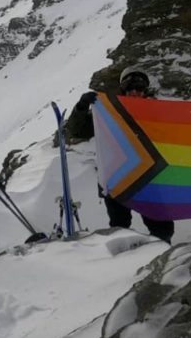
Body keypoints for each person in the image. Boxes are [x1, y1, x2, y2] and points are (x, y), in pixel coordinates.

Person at [66, 66, 175, 244]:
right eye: (130, 86)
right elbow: (78, 131)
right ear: (122, 87)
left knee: (162, 228)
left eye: (140, 87)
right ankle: (122, 264)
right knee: (119, 226)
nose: (135, 92)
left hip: (150, 177)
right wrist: (81, 107)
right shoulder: (110, 111)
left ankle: (161, 261)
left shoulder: (155, 112)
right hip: (117, 176)